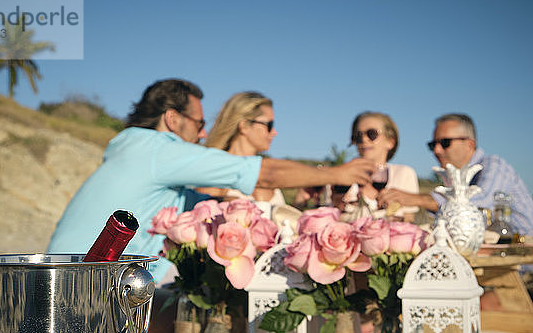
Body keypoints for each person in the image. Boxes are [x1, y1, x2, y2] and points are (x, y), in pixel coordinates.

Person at [47, 78, 375, 285]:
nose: (203, 133)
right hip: (79, 286)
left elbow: (199, 208)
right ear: (172, 119)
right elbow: (263, 172)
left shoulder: (138, 153)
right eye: (198, 123)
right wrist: (337, 173)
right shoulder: (156, 148)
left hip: (71, 277)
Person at [378, 113, 533, 236]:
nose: (437, 150)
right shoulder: (454, 179)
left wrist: (416, 199)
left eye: (445, 143)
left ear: (469, 144)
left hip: (525, 265)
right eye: (433, 145)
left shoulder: (495, 165)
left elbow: (479, 203)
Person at [197, 91, 286, 206]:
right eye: (269, 125)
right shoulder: (216, 174)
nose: (274, 132)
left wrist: (300, 201)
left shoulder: (267, 173)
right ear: (244, 125)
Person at [335, 111, 419, 221]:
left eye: (372, 134)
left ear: (390, 142)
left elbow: (408, 223)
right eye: (358, 136)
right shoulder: (341, 175)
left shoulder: (403, 174)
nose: (364, 139)